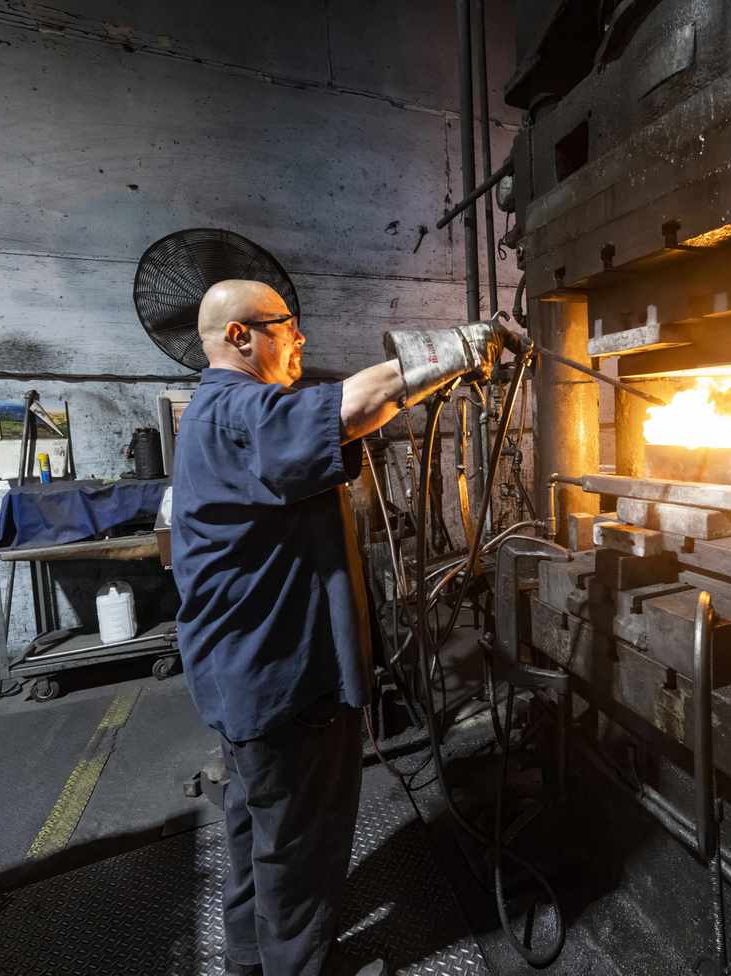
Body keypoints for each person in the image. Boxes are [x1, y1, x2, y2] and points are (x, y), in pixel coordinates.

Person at [170, 279, 503, 976]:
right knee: (301, 847)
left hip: (242, 678)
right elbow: (345, 409)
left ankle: (250, 962)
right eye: (287, 325)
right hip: (282, 680)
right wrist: (463, 346)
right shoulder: (240, 410)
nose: (299, 339)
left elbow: (327, 433)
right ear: (240, 335)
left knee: (256, 829)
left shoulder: (214, 412)